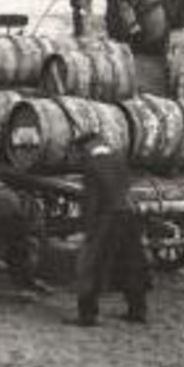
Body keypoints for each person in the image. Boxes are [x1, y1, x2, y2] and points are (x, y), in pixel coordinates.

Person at [67, 130, 151, 326]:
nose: (81, 155)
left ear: (87, 147)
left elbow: (92, 201)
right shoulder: (119, 159)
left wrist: (87, 229)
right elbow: (127, 187)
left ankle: (87, 316)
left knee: (90, 265)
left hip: (105, 218)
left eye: (81, 150)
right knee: (132, 262)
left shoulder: (91, 165)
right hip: (128, 216)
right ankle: (138, 310)